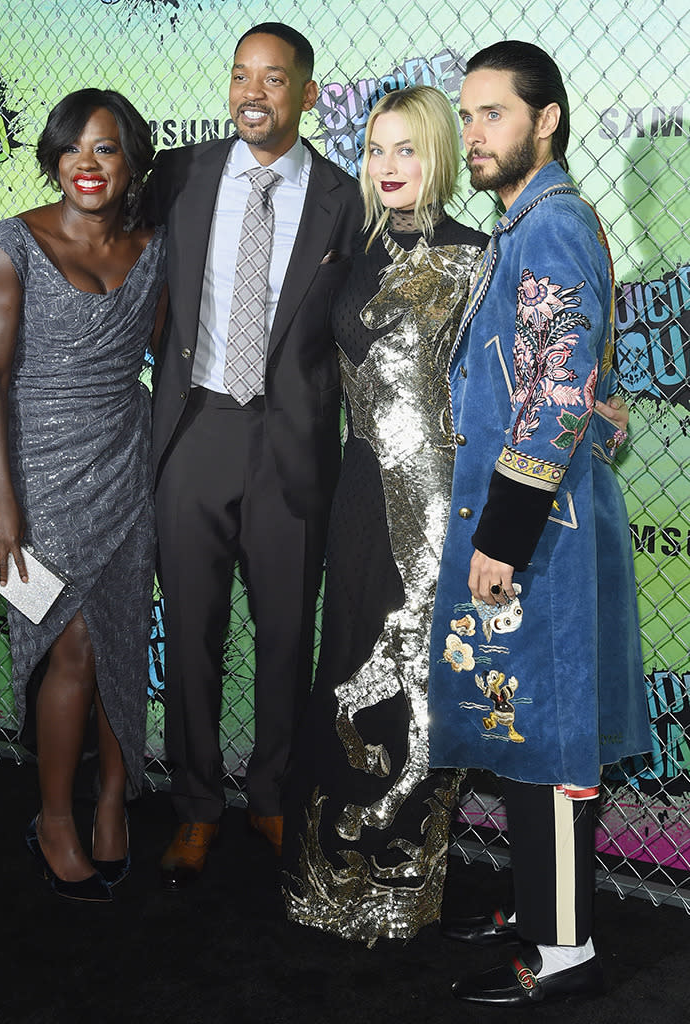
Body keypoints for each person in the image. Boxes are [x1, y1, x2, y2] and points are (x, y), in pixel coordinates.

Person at [426, 42, 652, 1003]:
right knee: (518, 720)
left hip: (541, 534)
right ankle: (533, 903)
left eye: (494, 115)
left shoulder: (550, 226)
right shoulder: (525, 224)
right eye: (466, 116)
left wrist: (502, 538)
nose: (474, 134)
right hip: (531, 520)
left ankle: (564, 948)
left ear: (546, 120)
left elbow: (557, 396)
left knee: (552, 732)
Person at [144, 23, 362, 889]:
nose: (252, 93)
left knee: (284, 636)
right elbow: (106, 236)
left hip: (291, 442)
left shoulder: (346, 197)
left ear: (306, 96)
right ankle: (196, 808)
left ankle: (272, 797)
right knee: (190, 635)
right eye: (240, 75)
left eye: (273, 80)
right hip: (195, 429)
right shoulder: (181, 173)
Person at [281, 85, 487, 943]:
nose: (388, 166)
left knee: (418, 685)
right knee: (348, 669)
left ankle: (402, 887)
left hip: (440, 504)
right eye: (375, 148)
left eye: (406, 148)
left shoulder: (479, 256)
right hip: (359, 494)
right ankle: (331, 878)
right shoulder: (349, 251)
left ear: (438, 152)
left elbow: (509, 388)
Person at [0, 89, 167, 902]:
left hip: (129, 460)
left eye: (107, 149)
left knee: (122, 637)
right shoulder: (13, 243)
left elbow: (165, 351)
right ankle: (56, 816)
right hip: (41, 474)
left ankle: (113, 802)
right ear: (53, 156)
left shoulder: (155, 248)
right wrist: (2, 502)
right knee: (74, 646)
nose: (87, 165)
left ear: (131, 164)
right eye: (73, 148)